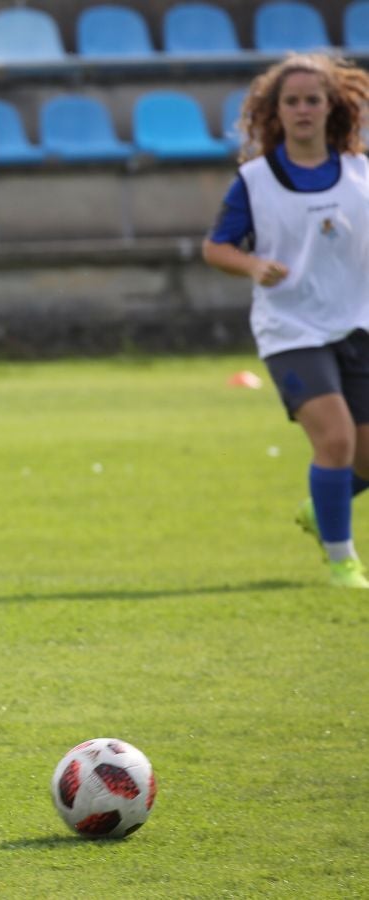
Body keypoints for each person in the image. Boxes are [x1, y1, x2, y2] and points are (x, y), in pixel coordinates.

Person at [202, 53, 369, 588]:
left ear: (331, 107)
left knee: (363, 456)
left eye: (312, 100)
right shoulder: (255, 180)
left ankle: (324, 509)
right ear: (275, 112)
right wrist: (252, 264)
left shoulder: (361, 173)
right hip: (291, 330)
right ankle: (343, 559)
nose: (302, 110)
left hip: (357, 324)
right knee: (336, 440)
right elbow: (216, 247)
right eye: (291, 101)